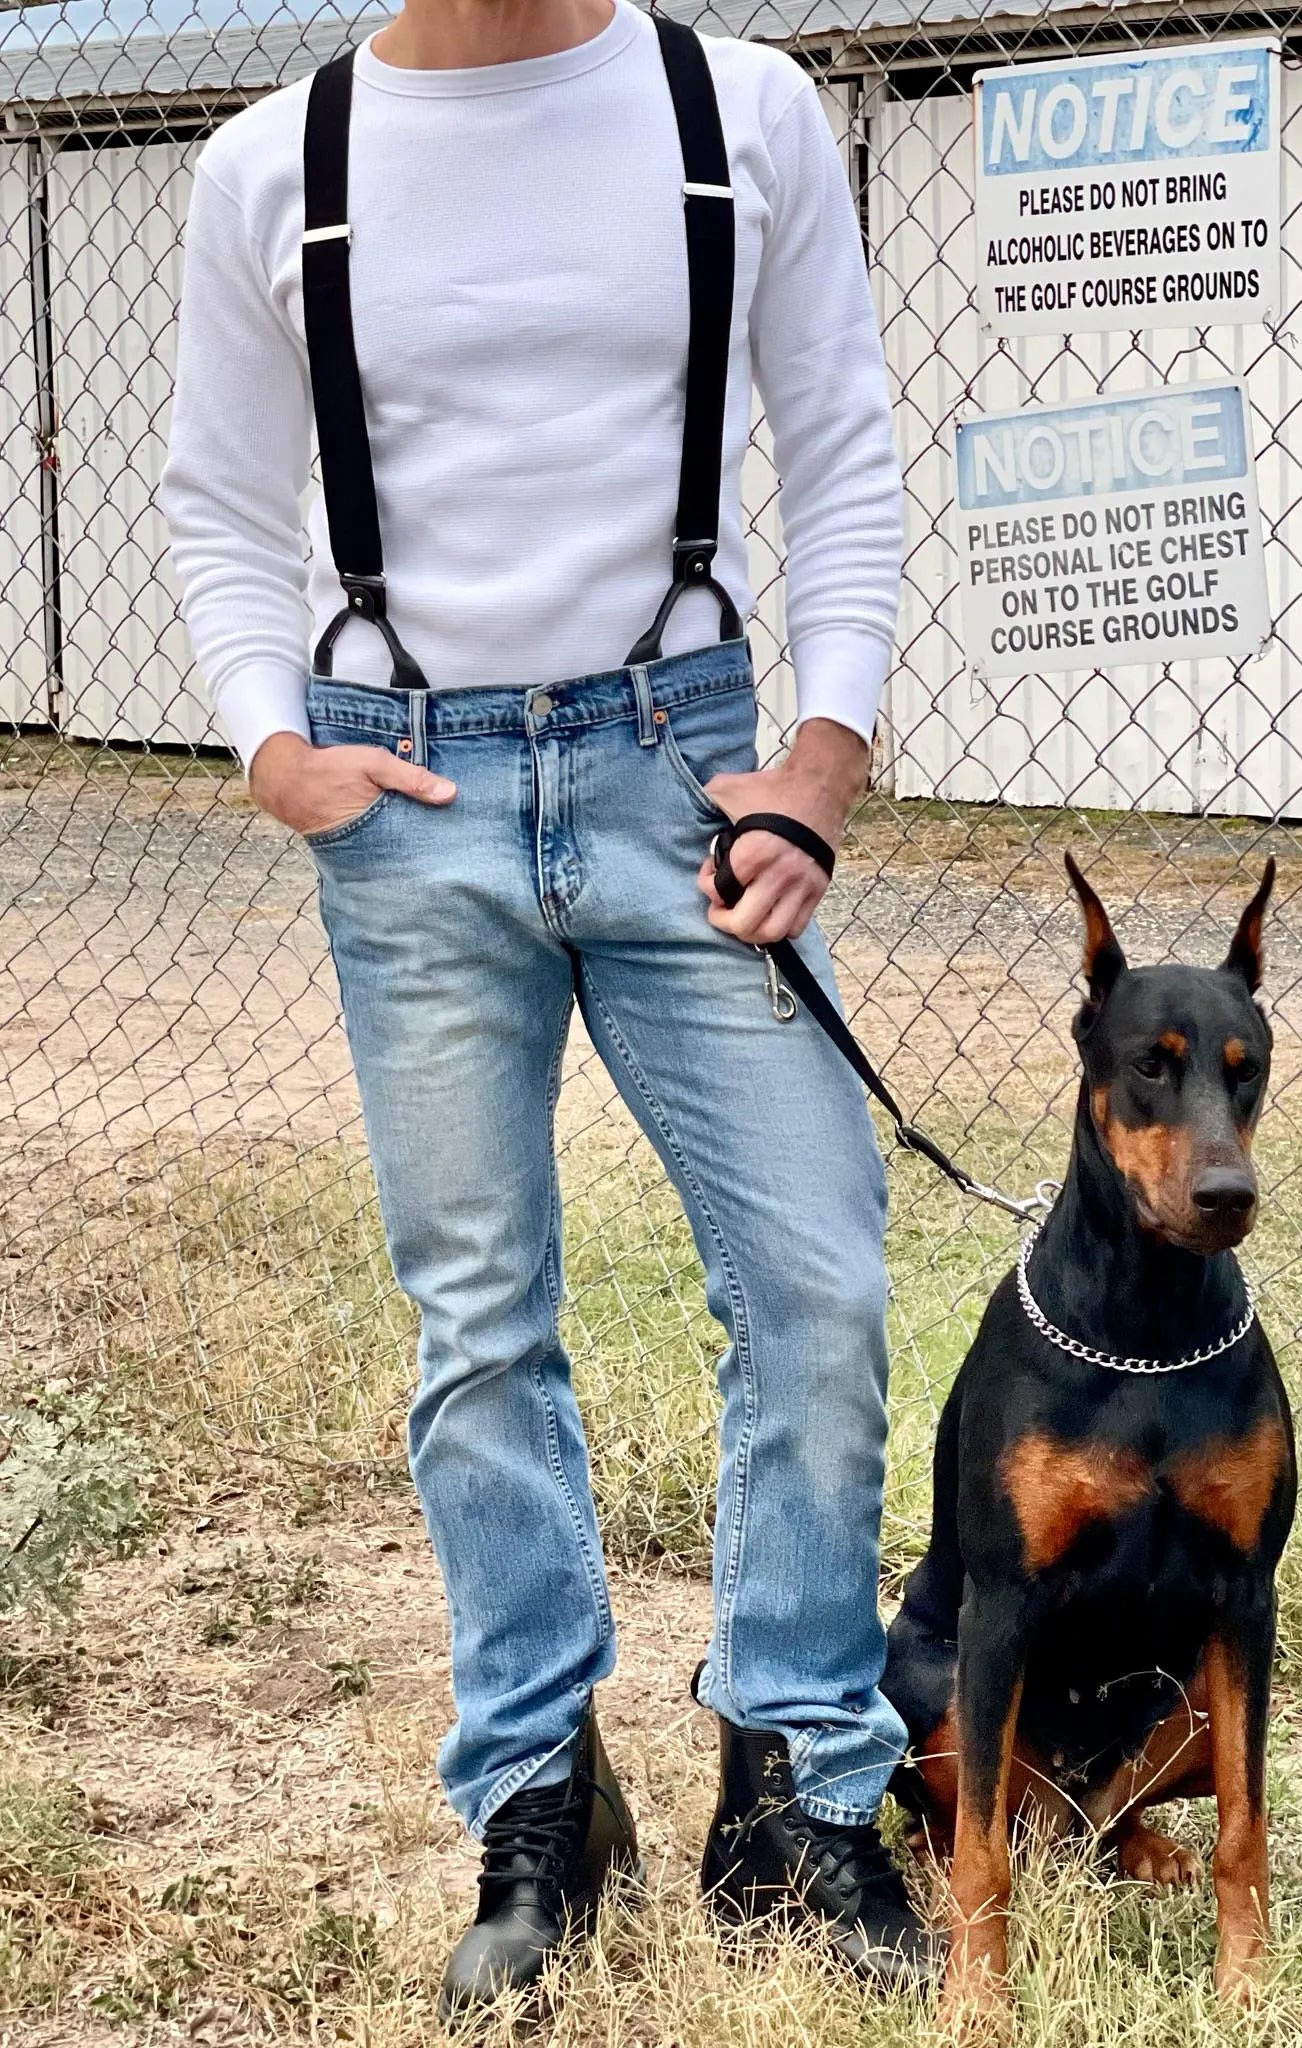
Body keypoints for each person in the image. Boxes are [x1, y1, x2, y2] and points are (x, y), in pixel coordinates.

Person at [162, 0, 937, 2017]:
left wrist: (822, 762)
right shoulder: (274, 168)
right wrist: (273, 745)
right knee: (479, 1314)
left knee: (820, 1275)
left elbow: (844, 439)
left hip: (684, 776)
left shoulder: (737, 113)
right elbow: (220, 507)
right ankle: (537, 1795)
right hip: (404, 790)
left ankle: (796, 1786)